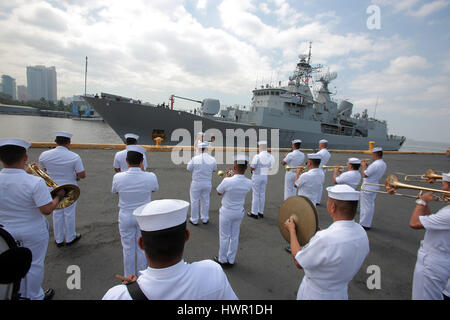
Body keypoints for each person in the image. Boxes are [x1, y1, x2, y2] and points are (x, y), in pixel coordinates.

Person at [102, 199, 237, 300]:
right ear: (186, 236)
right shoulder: (213, 273)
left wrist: (132, 289)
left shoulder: (117, 296)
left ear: (141, 243)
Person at [0, 138, 66, 300]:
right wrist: (58, 196)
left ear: (1, 159)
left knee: (8, 264)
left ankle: (14, 293)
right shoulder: (36, 182)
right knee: (34, 265)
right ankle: (35, 295)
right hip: (32, 231)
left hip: (4, 232)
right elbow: (47, 209)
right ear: (25, 158)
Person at [284, 184, 369, 299]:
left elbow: (299, 261)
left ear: (332, 207)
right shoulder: (361, 233)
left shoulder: (325, 238)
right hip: (340, 293)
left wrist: (292, 231)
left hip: (316, 294)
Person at [112, 145, 159, 277]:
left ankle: (128, 277)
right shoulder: (151, 176)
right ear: (142, 161)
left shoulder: (118, 177)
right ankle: (142, 275)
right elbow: (154, 189)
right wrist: (143, 171)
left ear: (126, 161)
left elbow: (114, 191)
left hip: (126, 214)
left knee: (127, 248)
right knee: (143, 247)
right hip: (144, 214)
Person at [39, 132, 86, 247]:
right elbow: (82, 174)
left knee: (57, 212)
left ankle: (59, 239)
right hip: (69, 187)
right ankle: (70, 238)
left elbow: (42, 170)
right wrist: (75, 175)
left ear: (56, 141)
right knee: (69, 213)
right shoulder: (74, 156)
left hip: (52, 187)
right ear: (69, 142)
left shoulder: (44, 154)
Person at [409, 172, 450, 300]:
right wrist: (425, 204)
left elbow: (415, 223)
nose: (442, 189)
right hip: (441, 258)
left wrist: (421, 202)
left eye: (443, 185)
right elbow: (431, 222)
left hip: (432, 263)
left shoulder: (448, 213)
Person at [215, 155, 252, 267]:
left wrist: (227, 177)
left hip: (226, 212)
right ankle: (231, 259)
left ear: (234, 166)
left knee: (224, 236)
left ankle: (222, 259)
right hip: (238, 212)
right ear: (246, 167)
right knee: (234, 236)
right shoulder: (249, 183)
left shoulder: (227, 181)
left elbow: (218, 192)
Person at [187, 142, 217, 225]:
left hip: (196, 182)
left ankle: (194, 219)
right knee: (206, 200)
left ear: (199, 149)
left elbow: (188, 168)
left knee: (194, 201)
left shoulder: (195, 158)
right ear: (207, 149)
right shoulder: (212, 159)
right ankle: (205, 218)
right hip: (207, 182)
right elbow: (215, 169)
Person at [359, 147, 387, 230]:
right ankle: (366, 223)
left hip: (368, 186)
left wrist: (363, 166)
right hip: (374, 185)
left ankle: (363, 224)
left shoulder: (375, 164)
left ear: (375, 154)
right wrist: (367, 166)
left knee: (365, 206)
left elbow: (365, 174)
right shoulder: (383, 163)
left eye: (372, 154)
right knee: (370, 205)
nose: (372, 156)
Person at [248, 141, 274, 219]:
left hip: (257, 176)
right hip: (264, 176)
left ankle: (254, 213)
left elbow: (252, 167)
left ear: (260, 147)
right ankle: (261, 212)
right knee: (262, 194)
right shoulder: (270, 156)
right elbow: (270, 168)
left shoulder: (257, 156)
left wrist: (251, 169)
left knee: (256, 194)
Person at [314, 139, 331, 205]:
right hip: (323, 170)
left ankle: (314, 200)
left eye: (319, 144)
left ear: (321, 145)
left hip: (317, 170)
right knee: (320, 186)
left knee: (315, 185)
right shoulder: (328, 153)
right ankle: (318, 200)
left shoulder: (320, 152)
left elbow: (314, 160)